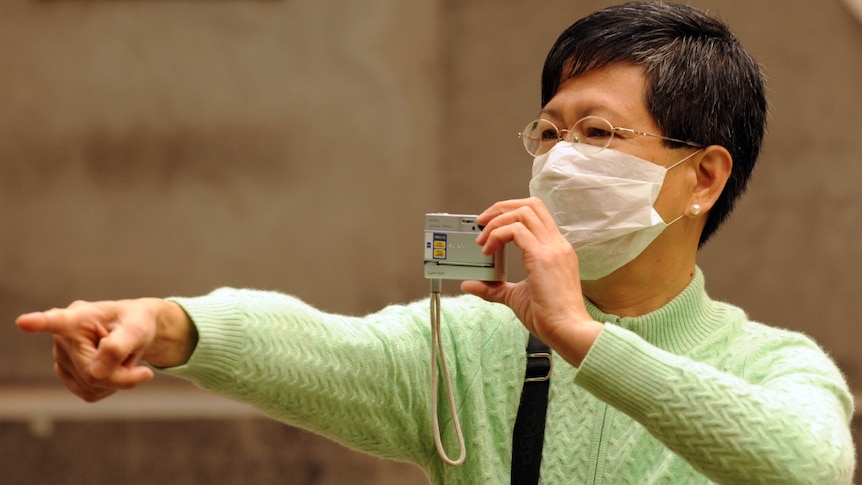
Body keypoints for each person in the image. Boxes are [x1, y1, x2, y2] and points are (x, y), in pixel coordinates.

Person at [15, 2, 856, 484]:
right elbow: (320, 346)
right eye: (549, 132)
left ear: (703, 177)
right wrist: (166, 327)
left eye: (598, 133)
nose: (561, 160)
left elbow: (811, 465)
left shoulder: (774, 365)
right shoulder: (482, 346)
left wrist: (583, 340)